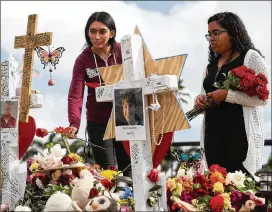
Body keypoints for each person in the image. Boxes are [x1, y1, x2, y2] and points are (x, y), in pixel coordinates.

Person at [194, 12, 269, 180]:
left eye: (216, 33)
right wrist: (199, 101)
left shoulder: (250, 57)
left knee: (242, 197)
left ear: (233, 33)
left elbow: (262, 98)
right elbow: (204, 94)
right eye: (209, 34)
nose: (211, 38)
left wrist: (228, 95)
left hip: (240, 139)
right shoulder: (210, 66)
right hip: (213, 138)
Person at [68, 11, 131, 177]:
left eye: (102, 31)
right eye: (92, 31)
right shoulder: (83, 59)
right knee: (108, 173)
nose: (96, 37)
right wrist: (74, 123)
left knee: (129, 172)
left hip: (127, 120)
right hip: (98, 124)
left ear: (112, 33)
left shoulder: (125, 52)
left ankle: (132, 203)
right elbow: (76, 94)